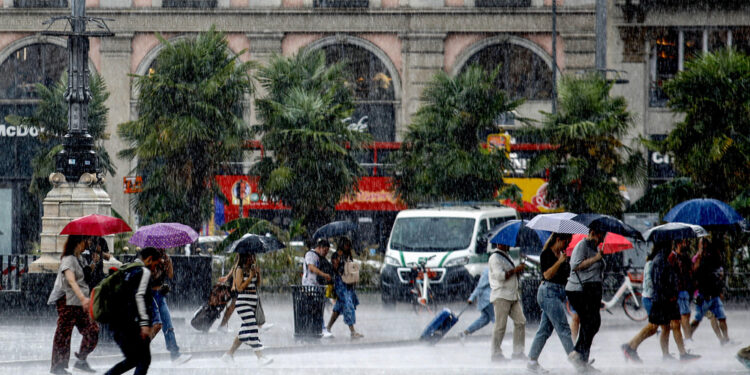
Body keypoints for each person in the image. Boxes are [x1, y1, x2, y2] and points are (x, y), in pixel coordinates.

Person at [621, 242, 700, 362]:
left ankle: (671, 354)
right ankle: (631, 346)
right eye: (671, 244)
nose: (673, 247)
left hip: (663, 298)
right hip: (659, 299)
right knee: (654, 327)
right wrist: (667, 295)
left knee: (667, 326)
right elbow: (657, 282)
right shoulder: (659, 261)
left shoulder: (665, 259)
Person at [104, 247, 161, 375]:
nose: (154, 269)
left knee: (134, 359)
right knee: (143, 360)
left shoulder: (128, 269)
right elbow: (139, 296)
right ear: (150, 259)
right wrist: (145, 323)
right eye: (155, 265)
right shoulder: (144, 272)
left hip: (118, 323)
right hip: (130, 324)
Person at [48, 235, 100, 375]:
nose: (89, 243)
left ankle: (81, 360)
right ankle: (58, 366)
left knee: (92, 330)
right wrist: (83, 298)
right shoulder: (68, 259)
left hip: (78, 302)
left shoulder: (80, 259)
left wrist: (93, 263)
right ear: (78, 242)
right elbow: (71, 281)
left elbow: (85, 278)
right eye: (86, 240)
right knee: (64, 333)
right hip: (67, 301)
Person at [527, 233, 576, 373]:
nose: (567, 245)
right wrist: (560, 261)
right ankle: (575, 359)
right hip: (548, 293)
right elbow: (547, 275)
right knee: (563, 327)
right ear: (558, 239)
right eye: (566, 241)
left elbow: (566, 276)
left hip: (558, 294)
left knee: (544, 330)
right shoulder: (546, 254)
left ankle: (531, 361)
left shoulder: (562, 255)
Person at [221, 253, 273, 366]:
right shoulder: (239, 270)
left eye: (253, 257)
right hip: (243, 303)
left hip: (252, 303)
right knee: (253, 328)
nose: (252, 259)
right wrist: (249, 277)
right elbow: (239, 287)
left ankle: (228, 354)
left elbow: (257, 284)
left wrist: (257, 275)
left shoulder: (252, 269)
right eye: (250, 257)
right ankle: (260, 357)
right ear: (245, 258)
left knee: (244, 332)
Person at [565, 227, 605, 370]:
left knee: (593, 323)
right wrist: (596, 258)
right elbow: (575, 265)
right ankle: (577, 354)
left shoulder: (595, 248)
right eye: (601, 235)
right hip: (579, 290)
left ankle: (582, 359)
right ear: (593, 233)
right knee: (589, 321)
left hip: (592, 291)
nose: (602, 238)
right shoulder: (582, 246)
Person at [149, 249, 191, 364]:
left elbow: (171, 275)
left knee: (168, 326)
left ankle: (175, 355)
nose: (162, 249)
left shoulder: (165, 258)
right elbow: (151, 277)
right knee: (156, 325)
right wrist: (158, 263)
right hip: (150, 296)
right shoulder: (150, 258)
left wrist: (169, 263)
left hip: (160, 296)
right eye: (160, 248)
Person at [488, 243, 526, 362]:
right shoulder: (495, 258)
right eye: (506, 243)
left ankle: (518, 351)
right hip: (501, 295)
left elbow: (511, 274)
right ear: (500, 244)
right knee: (500, 326)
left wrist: (518, 270)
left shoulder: (507, 255)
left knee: (521, 322)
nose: (509, 245)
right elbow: (500, 276)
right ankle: (496, 353)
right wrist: (515, 270)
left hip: (513, 295)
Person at [690, 236, 732, 345]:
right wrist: (699, 256)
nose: (704, 247)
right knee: (699, 319)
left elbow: (716, 274)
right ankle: (687, 336)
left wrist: (719, 289)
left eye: (705, 245)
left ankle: (725, 339)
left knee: (721, 317)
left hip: (713, 294)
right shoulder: (696, 258)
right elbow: (694, 274)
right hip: (702, 296)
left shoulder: (711, 257)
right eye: (701, 245)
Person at [326, 237, 364, 339]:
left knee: (338, 308)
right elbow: (335, 269)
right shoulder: (336, 255)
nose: (348, 247)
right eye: (346, 245)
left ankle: (328, 327)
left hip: (348, 284)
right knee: (348, 305)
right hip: (340, 284)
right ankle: (352, 331)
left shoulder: (347, 255)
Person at [302, 238, 333, 338]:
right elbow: (311, 267)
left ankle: (318, 328)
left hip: (316, 286)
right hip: (309, 286)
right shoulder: (310, 254)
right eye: (325, 250)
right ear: (319, 248)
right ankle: (321, 328)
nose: (325, 253)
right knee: (316, 307)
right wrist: (324, 274)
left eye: (327, 251)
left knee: (318, 307)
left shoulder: (320, 257)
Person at [669, 237, 694, 340]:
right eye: (684, 242)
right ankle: (688, 338)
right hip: (680, 289)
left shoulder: (685, 257)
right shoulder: (673, 257)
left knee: (685, 314)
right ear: (679, 244)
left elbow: (690, 271)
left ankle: (687, 337)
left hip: (685, 288)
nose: (686, 244)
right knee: (684, 315)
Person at [460, 267, 494, 340]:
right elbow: (479, 287)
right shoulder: (488, 271)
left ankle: (465, 333)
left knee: (485, 319)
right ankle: (498, 339)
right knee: (496, 319)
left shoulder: (494, 270)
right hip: (488, 299)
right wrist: (471, 298)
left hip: (488, 299)